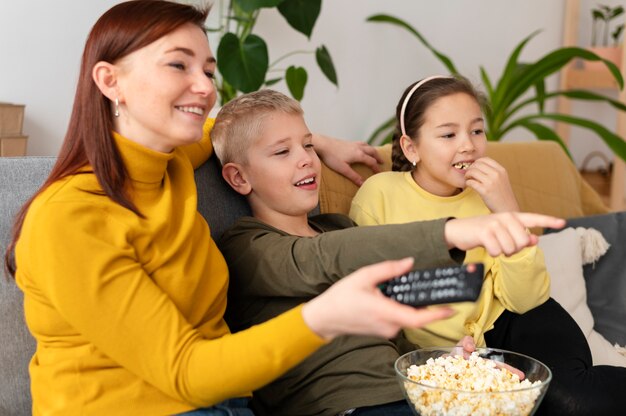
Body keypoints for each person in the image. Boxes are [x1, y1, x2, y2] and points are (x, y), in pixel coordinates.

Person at [0, 2, 454, 415]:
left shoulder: (171, 163)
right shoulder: (70, 216)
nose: (204, 88)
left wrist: (318, 144)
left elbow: (229, 130)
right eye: (178, 65)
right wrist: (322, 316)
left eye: (209, 71)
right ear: (109, 80)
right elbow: (188, 373)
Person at [210, 89, 565, 416]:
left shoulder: (337, 226)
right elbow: (319, 258)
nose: (306, 160)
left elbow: (392, 337)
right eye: (282, 152)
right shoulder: (245, 244)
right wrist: (450, 231)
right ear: (239, 178)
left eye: (308, 146)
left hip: (409, 395)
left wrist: (449, 364)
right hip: (344, 406)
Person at [349, 74, 626, 415]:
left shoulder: (489, 193)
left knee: (576, 402)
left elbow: (527, 298)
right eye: (449, 134)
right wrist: (446, 358)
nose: (468, 145)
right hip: (448, 356)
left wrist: (507, 209)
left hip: (518, 320)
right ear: (411, 147)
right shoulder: (379, 195)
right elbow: (371, 298)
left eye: (476, 130)